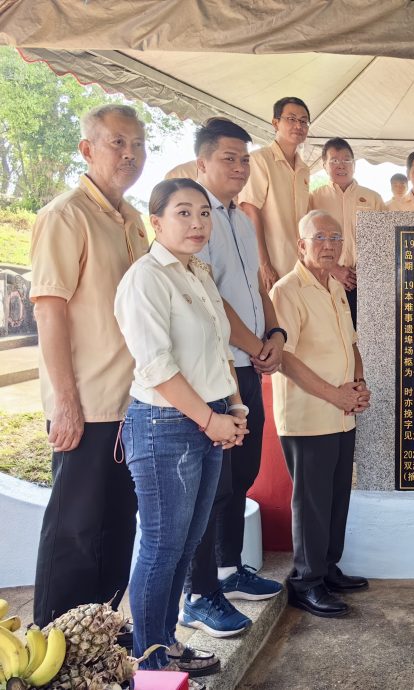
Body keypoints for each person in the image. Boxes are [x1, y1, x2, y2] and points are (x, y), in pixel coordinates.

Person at [115, 178, 249, 680]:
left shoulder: (198, 273)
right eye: (183, 213)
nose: (197, 224)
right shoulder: (146, 279)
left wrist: (235, 411)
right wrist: (211, 418)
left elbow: (217, 352)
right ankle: (147, 661)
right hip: (165, 425)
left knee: (188, 540)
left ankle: (164, 644)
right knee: (162, 543)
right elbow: (156, 367)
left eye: (203, 214)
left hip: (208, 416)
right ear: (156, 221)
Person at [29, 104, 149, 630]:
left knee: (117, 528)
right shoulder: (65, 215)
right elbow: (49, 310)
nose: (129, 154)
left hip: (134, 401)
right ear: (87, 149)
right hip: (88, 403)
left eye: (138, 144)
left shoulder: (134, 219)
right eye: (117, 143)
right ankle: (54, 649)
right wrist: (66, 402)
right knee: (75, 530)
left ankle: (98, 643)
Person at [179, 119, 286, 639]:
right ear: (202, 163)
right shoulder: (197, 223)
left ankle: (227, 570)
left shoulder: (242, 220)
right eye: (228, 158)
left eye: (245, 159)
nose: (240, 168)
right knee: (210, 486)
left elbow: (257, 285)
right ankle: (197, 594)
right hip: (214, 374)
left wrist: (276, 335)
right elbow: (210, 298)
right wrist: (252, 342)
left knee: (239, 475)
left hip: (248, 365)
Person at [270, 210, 372, 618]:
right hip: (309, 414)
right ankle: (306, 581)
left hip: (342, 413)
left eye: (335, 237)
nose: (328, 244)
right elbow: (285, 358)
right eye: (319, 238)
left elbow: (352, 343)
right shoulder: (287, 290)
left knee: (335, 496)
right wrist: (335, 394)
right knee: (311, 501)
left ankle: (328, 568)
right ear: (301, 245)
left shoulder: (334, 287)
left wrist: (359, 384)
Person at [238, 96, 311, 292]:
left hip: (299, 266)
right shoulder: (260, 160)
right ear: (275, 123)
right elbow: (249, 210)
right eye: (292, 119)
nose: (298, 125)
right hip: (272, 265)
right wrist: (264, 264)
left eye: (304, 121)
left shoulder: (304, 169)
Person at [310, 137, 385, 325]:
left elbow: (384, 240)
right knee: (331, 336)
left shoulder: (373, 198)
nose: (341, 165)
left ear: (354, 164)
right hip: (326, 280)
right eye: (334, 160)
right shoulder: (314, 199)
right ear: (324, 165)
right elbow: (308, 242)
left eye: (346, 160)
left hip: (366, 283)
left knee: (364, 339)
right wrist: (334, 270)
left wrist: (367, 273)